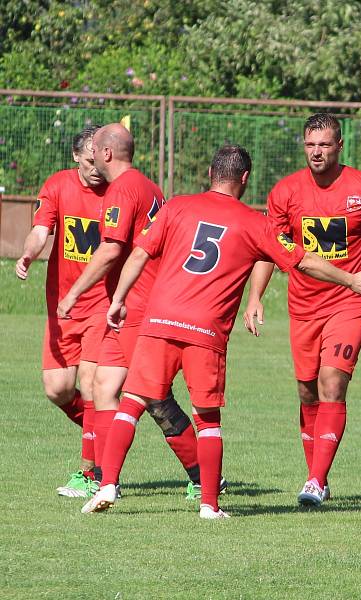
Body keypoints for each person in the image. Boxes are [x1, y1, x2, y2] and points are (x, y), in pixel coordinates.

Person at [81, 145, 361, 518]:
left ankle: (107, 483)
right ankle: (209, 504)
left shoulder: (176, 206)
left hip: (158, 322)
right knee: (206, 418)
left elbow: (140, 253)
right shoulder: (255, 223)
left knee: (132, 403)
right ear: (244, 178)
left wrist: (119, 299)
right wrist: (350, 279)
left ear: (210, 173)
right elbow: (303, 261)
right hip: (205, 330)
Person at [244, 113, 361, 506]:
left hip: (350, 302)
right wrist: (256, 296)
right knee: (307, 390)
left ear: (340, 146)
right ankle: (318, 478)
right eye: (311, 144)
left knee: (333, 383)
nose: (317, 151)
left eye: (325, 144)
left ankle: (315, 479)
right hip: (303, 306)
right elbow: (269, 248)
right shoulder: (285, 192)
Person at [57, 123, 205, 499]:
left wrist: (73, 293)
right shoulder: (147, 185)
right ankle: (105, 479)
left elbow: (110, 250)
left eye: (95, 150)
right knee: (103, 387)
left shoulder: (123, 189)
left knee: (155, 396)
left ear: (106, 154)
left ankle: (203, 476)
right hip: (127, 307)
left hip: (141, 306)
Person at [16, 126, 107, 497]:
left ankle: (90, 474)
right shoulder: (58, 186)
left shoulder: (120, 190)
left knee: (89, 385)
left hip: (103, 303)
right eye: (89, 160)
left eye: (102, 159)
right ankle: (106, 431)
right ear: (76, 157)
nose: (97, 168)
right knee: (57, 389)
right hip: (63, 307)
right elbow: (40, 231)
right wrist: (28, 253)